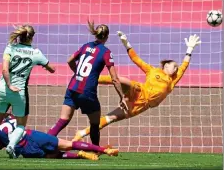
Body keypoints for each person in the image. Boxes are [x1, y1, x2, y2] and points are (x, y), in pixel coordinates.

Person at [72, 31, 201, 141]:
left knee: (110, 118)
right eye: (174, 66)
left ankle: (82, 133)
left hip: (142, 105)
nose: (176, 68)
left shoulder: (172, 81)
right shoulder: (152, 70)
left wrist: (190, 49)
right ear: (166, 65)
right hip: (138, 91)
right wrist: (126, 43)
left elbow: (184, 67)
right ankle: (90, 79)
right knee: (121, 80)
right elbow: (136, 59)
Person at [0, 25, 56, 159]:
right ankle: (11, 145)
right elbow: (52, 68)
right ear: (32, 37)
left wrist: (8, 84)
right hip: (19, 92)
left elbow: (4, 70)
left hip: (2, 89)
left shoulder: (10, 47)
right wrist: (45, 66)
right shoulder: (36, 53)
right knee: (21, 124)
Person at [47, 21, 128, 146]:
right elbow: (115, 79)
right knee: (95, 123)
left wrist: (78, 73)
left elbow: (69, 60)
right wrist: (122, 96)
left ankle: (44, 142)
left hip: (73, 87)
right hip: (87, 91)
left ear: (96, 34)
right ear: (107, 37)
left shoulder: (85, 46)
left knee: (63, 119)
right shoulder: (106, 52)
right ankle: (96, 150)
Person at [0, 98, 118, 161]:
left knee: (53, 156)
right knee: (68, 144)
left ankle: (81, 155)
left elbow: (3, 142)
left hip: (25, 148)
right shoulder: (11, 115)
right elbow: (5, 141)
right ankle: (102, 150)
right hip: (33, 135)